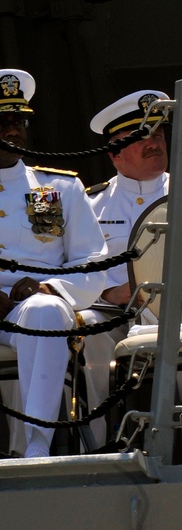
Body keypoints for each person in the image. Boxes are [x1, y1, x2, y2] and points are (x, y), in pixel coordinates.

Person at [83, 90, 182, 461]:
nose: (154, 143)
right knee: (85, 332)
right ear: (115, 152)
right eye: (142, 137)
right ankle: (97, 453)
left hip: (181, 307)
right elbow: (74, 269)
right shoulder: (89, 203)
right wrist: (110, 292)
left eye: (158, 134)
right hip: (114, 314)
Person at [0, 69, 108, 459]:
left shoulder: (51, 188)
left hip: (29, 309)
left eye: (19, 121)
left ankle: (36, 449)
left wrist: (51, 288)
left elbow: (93, 261)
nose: (13, 130)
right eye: (3, 121)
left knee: (47, 311)